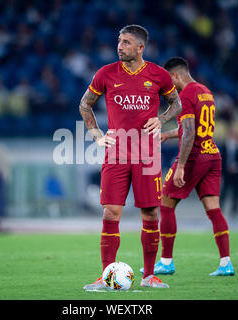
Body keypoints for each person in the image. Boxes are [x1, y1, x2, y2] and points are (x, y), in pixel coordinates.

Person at [80, 25, 183, 290]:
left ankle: (149, 276)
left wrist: (161, 120)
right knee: (110, 211)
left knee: (150, 213)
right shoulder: (106, 73)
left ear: (140, 47)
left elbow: (177, 104)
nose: (120, 46)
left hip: (147, 153)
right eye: (119, 41)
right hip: (116, 151)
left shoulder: (158, 75)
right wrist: (96, 135)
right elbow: (85, 103)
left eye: (126, 42)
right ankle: (106, 277)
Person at [142, 57, 234, 277]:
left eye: (168, 81)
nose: (168, 88)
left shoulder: (185, 95)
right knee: (213, 209)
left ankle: (166, 261)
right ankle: (226, 263)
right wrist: (168, 134)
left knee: (165, 204)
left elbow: (191, 132)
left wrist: (181, 165)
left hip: (194, 156)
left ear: (175, 76)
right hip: (212, 154)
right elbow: (196, 128)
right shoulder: (205, 91)